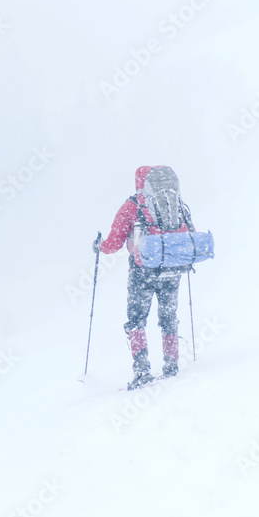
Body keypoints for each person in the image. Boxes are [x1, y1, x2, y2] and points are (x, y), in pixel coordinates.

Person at [94, 166, 196, 389]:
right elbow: (190, 232)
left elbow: (113, 244)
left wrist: (99, 246)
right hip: (172, 268)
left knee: (136, 320)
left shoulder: (132, 206)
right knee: (169, 317)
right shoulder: (176, 202)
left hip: (142, 272)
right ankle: (171, 365)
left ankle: (142, 372)